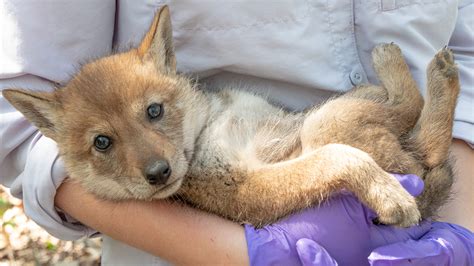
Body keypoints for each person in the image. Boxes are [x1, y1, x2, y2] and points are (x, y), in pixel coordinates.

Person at [0, 0, 473, 265]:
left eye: (154, 114)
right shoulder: (186, 157)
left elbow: (464, 49)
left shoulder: (181, 102)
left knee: (336, 124)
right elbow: (19, 126)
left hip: (415, 197)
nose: (154, 159)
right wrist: (248, 256)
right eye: (104, 141)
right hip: (208, 248)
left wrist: (462, 229)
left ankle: (410, 111)